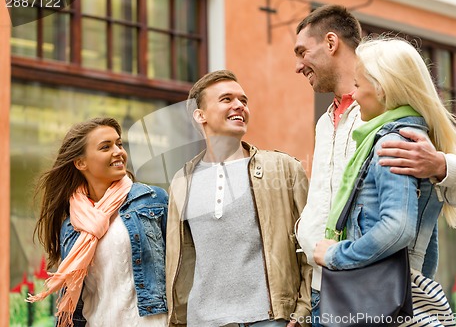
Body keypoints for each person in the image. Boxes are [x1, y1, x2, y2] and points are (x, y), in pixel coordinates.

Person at [293, 4, 456, 326]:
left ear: (330, 43)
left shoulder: (389, 115)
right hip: (323, 287)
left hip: (376, 286)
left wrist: (438, 164)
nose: (297, 66)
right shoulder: (325, 123)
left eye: (302, 52)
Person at [165, 70, 312, 327]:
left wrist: (303, 310)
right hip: (204, 322)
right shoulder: (182, 181)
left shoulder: (284, 168)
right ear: (200, 116)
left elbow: (309, 243)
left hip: (270, 319)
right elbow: (181, 258)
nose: (239, 106)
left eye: (243, 100)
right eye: (226, 99)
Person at [27, 117, 168, 327]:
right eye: (105, 147)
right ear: (80, 162)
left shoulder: (152, 201)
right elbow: (76, 298)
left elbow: (181, 269)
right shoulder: (72, 225)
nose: (118, 151)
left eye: (119, 144)